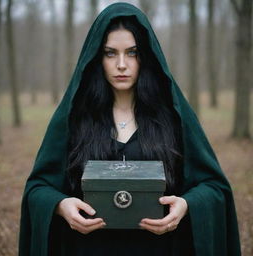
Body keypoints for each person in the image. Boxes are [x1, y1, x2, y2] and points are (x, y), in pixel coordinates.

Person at [19, 2, 241, 256]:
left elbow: (214, 188)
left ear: (145, 57)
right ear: (97, 57)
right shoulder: (74, 118)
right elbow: (38, 189)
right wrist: (60, 205)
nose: (122, 64)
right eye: (110, 53)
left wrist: (186, 205)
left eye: (132, 52)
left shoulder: (173, 117)